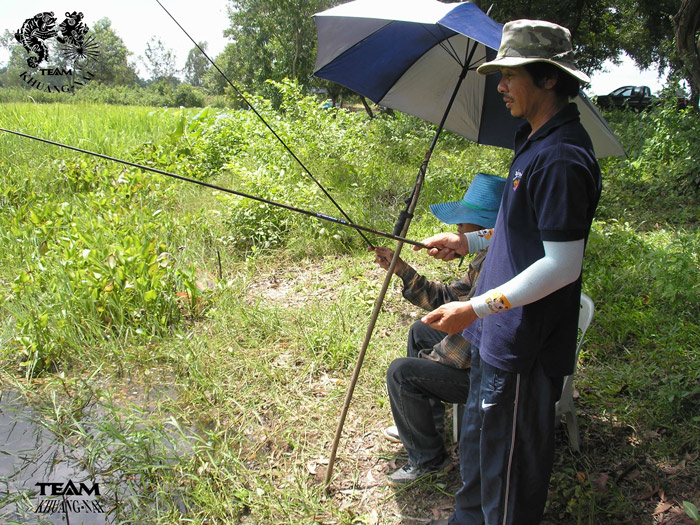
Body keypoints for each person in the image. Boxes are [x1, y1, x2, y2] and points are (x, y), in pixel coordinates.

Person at [416, 20, 602, 524]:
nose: (499, 85)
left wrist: (474, 306)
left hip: (523, 349)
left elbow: (562, 264)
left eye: (511, 73)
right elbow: (524, 233)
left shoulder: (561, 156)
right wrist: (467, 241)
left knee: (508, 476)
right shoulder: (533, 141)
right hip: (493, 339)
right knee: (478, 461)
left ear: (548, 77)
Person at [371, 173, 507, 487]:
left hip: (488, 373)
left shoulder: (497, 267)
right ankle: (421, 424)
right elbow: (447, 298)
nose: (458, 230)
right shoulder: (483, 256)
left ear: (486, 227)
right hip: (475, 352)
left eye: (464, 224)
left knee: (401, 373)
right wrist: (402, 269)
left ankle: (428, 460)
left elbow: (472, 336)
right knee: (421, 331)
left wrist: (435, 358)